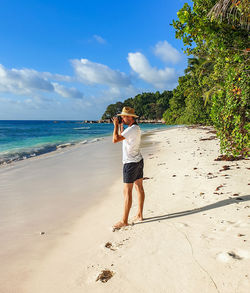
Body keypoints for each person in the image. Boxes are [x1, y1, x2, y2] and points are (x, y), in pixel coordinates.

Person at [112, 106, 145, 230]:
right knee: (139, 188)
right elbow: (122, 137)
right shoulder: (134, 128)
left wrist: (115, 126)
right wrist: (120, 126)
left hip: (130, 163)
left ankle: (124, 220)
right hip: (138, 160)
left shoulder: (132, 129)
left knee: (127, 192)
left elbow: (115, 139)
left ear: (130, 117)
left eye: (123, 116)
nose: (122, 118)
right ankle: (140, 215)